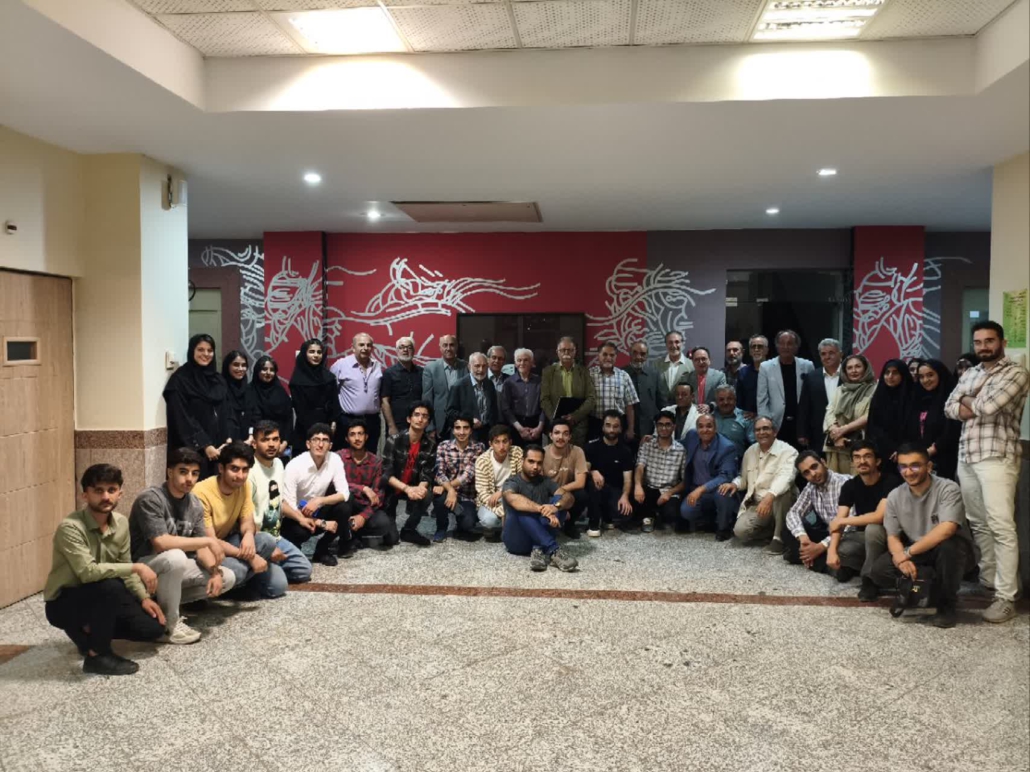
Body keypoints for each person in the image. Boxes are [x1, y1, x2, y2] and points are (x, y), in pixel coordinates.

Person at [945, 320, 1030, 624]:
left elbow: (989, 407)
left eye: (990, 341)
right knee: (978, 522)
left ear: (1002, 343)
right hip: (967, 455)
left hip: (997, 456)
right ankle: (992, 582)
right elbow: (949, 407)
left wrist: (968, 399)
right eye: (979, 342)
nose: (984, 347)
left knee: (1001, 525)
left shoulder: (1016, 373)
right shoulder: (971, 373)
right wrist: (974, 398)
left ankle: (1007, 596)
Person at [44, 464, 165, 676]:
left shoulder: (121, 523)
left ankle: (89, 633)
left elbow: (125, 565)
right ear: (85, 495)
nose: (106, 497)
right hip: (64, 602)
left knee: (153, 628)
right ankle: (97, 655)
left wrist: (143, 597)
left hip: (103, 595)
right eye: (98, 491)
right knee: (111, 586)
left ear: (120, 493)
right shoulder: (70, 528)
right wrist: (137, 567)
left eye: (111, 490)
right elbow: (88, 572)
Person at [130, 448, 237, 646]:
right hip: (143, 568)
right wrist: (208, 541)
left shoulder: (194, 503)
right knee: (176, 557)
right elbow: (161, 543)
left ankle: (163, 606)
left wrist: (214, 572)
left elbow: (201, 550)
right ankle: (169, 626)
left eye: (195, 474)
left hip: (171, 570)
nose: (189, 479)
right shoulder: (151, 498)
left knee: (226, 577)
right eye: (183, 472)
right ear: (170, 472)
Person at [867, 443, 977, 628]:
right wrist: (900, 558)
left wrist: (907, 553)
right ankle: (926, 584)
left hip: (950, 549)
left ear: (929, 466)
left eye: (915, 466)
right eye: (903, 466)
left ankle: (947, 605)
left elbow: (947, 529)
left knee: (949, 547)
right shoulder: (894, 496)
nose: (908, 472)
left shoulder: (948, 488)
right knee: (879, 571)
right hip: (919, 551)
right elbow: (892, 536)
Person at [194, 443, 286, 597]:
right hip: (205, 550)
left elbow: (247, 521)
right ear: (221, 468)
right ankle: (233, 581)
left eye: (245, 470)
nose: (240, 476)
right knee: (239, 570)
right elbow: (209, 541)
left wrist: (249, 535)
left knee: (268, 544)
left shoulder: (244, 486)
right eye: (234, 469)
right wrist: (251, 557)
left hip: (228, 542)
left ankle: (237, 582)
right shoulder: (201, 493)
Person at [826, 441, 901, 599]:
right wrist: (831, 552)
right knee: (840, 547)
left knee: (873, 528)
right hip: (865, 537)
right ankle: (872, 565)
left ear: (877, 461)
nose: (862, 461)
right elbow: (839, 519)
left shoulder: (891, 482)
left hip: (891, 534)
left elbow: (878, 517)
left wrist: (843, 521)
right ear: (852, 462)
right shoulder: (850, 486)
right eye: (857, 457)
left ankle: (869, 580)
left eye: (867, 456)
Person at [247, 421, 314, 583]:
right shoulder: (248, 471)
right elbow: (244, 517)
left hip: (276, 536)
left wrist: (300, 518)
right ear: (254, 444)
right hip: (255, 538)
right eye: (265, 440)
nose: (271, 444)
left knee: (304, 570)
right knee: (277, 585)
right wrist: (268, 548)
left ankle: (267, 567)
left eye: (275, 439)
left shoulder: (278, 464)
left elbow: (278, 500)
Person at [722, 416, 798, 552]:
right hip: (757, 503)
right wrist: (734, 484)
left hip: (778, 501)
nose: (761, 432)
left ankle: (779, 538)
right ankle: (774, 530)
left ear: (775, 432)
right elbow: (744, 479)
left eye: (766, 428)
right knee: (741, 532)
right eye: (758, 430)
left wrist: (769, 497)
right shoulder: (750, 451)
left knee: (784, 492)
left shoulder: (789, 451)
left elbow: (786, 478)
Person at [281, 424, 353, 565]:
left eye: (325, 440)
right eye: (316, 440)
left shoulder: (334, 459)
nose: (320, 444)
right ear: (308, 444)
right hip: (295, 516)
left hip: (317, 509)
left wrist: (319, 500)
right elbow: (288, 506)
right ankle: (294, 549)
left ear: (330, 445)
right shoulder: (294, 465)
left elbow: (344, 493)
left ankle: (322, 549)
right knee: (300, 533)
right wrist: (322, 523)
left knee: (345, 506)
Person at [501, 445, 578, 572]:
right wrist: (542, 510)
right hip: (517, 540)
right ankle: (553, 549)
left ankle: (538, 549)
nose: (535, 466)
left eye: (539, 463)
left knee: (560, 501)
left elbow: (569, 497)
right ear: (522, 461)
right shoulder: (512, 482)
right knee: (518, 506)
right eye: (531, 461)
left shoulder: (545, 482)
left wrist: (555, 507)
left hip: (539, 537)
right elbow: (513, 500)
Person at [164, 334, 230, 478]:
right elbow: (182, 417)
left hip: (219, 450)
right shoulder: (180, 380)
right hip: (193, 451)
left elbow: (224, 411)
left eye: (210, 350)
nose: (206, 354)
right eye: (200, 350)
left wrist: (227, 439)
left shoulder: (218, 380)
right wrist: (205, 445)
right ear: (192, 351)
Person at [782, 451, 850, 572]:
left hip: (847, 535)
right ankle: (818, 561)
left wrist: (821, 546)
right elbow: (793, 513)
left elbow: (850, 526)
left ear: (823, 463)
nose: (813, 474)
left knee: (845, 549)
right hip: (827, 532)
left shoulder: (845, 483)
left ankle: (804, 557)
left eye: (814, 467)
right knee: (788, 531)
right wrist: (803, 538)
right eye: (806, 472)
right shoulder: (811, 486)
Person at [381, 401, 438, 547]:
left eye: (424, 416)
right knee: (391, 539)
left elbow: (427, 473)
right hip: (392, 489)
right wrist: (407, 489)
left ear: (428, 422)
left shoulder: (431, 444)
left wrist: (420, 488)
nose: (420, 419)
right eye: (416, 415)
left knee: (427, 494)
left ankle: (409, 530)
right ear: (409, 419)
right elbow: (386, 474)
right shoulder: (394, 440)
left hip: (413, 486)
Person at [339, 420, 400, 548]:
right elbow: (336, 486)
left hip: (365, 505)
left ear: (366, 437)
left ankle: (355, 532)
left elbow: (379, 495)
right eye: (352, 434)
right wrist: (363, 488)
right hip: (345, 505)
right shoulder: (338, 458)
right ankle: (346, 535)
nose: (357, 438)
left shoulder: (376, 462)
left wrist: (362, 516)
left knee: (385, 526)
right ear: (346, 438)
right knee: (346, 498)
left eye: (360, 434)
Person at [678, 415, 739, 540]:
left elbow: (725, 476)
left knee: (723, 492)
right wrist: (655, 439)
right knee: (686, 511)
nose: (705, 430)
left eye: (709, 426)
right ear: (697, 429)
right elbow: (679, 443)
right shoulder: (692, 436)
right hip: (696, 488)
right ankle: (709, 519)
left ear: (716, 428)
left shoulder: (727, 447)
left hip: (716, 489)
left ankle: (724, 527)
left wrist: (701, 489)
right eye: (701, 426)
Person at [757, 329, 814, 449]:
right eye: (782, 343)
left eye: (790, 343)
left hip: (800, 424)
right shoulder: (766, 367)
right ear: (777, 346)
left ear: (796, 346)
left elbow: (812, 398)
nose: (785, 347)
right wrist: (766, 425)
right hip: (776, 423)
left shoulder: (807, 366)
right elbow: (762, 400)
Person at [432, 415, 485, 542]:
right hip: (446, 492)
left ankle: (460, 525)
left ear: (471, 430)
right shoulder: (443, 446)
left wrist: (448, 487)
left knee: (468, 524)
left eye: (466, 428)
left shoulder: (479, 447)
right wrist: (450, 490)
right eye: (458, 428)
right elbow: (439, 472)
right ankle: (441, 528)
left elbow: (468, 475)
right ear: (453, 430)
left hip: (467, 496)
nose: (461, 432)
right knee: (439, 496)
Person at [632, 410, 687, 532]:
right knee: (634, 499)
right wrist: (638, 486)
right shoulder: (647, 445)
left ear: (674, 427)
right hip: (649, 489)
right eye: (660, 424)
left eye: (668, 424)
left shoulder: (681, 450)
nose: (664, 428)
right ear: (656, 426)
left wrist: (669, 493)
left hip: (668, 491)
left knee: (671, 514)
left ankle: (654, 515)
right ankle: (650, 516)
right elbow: (639, 467)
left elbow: (684, 481)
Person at [906, 359, 960, 480]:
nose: (925, 380)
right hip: (919, 458)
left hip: (945, 458)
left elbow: (953, 430)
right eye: (921, 377)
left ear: (940, 374)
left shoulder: (952, 397)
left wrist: (932, 450)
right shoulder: (917, 399)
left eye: (930, 375)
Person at [584, 410, 635, 537]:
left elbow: (628, 480)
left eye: (615, 426)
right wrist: (593, 472)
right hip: (596, 487)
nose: (611, 430)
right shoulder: (591, 446)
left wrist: (625, 496)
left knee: (626, 515)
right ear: (602, 427)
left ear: (620, 429)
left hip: (614, 489)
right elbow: (584, 470)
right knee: (593, 484)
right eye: (608, 425)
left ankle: (607, 517)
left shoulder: (625, 451)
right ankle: (594, 523)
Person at [822, 354, 875, 473]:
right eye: (849, 368)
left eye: (858, 366)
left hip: (861, 446)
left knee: (859, 480)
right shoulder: (840, 389)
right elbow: (829, 412)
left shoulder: (874, 389)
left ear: (866, 368)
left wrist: (843, 429)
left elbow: (870, 415)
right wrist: (836, 432)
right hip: (836, 444)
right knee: (836, 482)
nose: (853, 371)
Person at [331, 332, 384, 452]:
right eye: (361, 345)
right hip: (347, 421)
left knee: (370, 455)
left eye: (368, 345)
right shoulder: (341, 365)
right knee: (345, 456)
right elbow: (330, 392)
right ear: (353, 347)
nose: (365, 348)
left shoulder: (377, 365)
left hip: (372, 421)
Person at [541, 337, 596, 448]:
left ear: (575, 352)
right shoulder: (548, 372)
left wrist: (575, 416)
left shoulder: (584, 371)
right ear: (557, 352)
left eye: (570, 350)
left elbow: (591, 398)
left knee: (576, 456)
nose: (566, 353)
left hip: (578, 426)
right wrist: (556, 420)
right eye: (563, 350)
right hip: (556, 427)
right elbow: (544, 399)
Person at [289, 339, 340, 457]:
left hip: (327, 426)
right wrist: (315, 432)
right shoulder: (297, 380)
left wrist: (333, 423)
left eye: (319, 352)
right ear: (304, 354)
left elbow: (334, 403)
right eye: (312, 352)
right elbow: (300, 410)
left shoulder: (329, 377)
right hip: (305, 429)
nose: (316, 355)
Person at [475, 424, 524, 541]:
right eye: (497, 442)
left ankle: (510, 526)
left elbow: (522, 480)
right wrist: (503, 512)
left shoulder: (517, 452)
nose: (501, 446)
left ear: (510, 442)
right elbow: (483, 493)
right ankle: (495, 528)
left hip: (512, 495)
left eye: (505, 441)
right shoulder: (482, 461)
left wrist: (502, 491)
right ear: (490, 444)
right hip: (490, 500)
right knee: (489, 520)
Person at [543, 418, 590, 539]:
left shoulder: (577, 451)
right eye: (557, 433)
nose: (561, 437)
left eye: (565, 433)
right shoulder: (542, 453)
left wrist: (562, 491)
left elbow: (580, 482)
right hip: (548, 493)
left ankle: (569, 524)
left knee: (582, 494)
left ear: (570, 437)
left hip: (568, 492)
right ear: (550, 435)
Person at [797, 338, 842, 455]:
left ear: (840, 354)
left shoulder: (849, 375)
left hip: (844, 430)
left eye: (831, 353)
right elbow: (804, 406)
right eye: (823, 354)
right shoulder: (811, 377)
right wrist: (802, 432)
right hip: (818, 432)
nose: (827, 357)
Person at [588, 342, 639, 442]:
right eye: (605, 354)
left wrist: (631, 429)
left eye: (612, 355)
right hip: (595, 424)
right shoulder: (590, 374)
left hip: (618, 425)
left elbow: (629, 406)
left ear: (616, 357)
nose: (608, 358)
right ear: (598, 355)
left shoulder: (624, 376)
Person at [866, 359, 913, 463]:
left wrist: (902, 449)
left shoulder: (911, 398)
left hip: (904, 454)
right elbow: (872, 426)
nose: (890, 376)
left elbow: (912, 429)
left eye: (895, 373)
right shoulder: (879, 397)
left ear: (903, 375)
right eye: (887, 372)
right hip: (879, 453)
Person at [446, 352, 499, 443]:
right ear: (469, 366)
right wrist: (470, 420)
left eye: (484, 366)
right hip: (466, 435)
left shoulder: (489, 384)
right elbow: (450, 413)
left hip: (487, 435)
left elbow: (494, 411)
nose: (481, 370)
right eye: (477, 366)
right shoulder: (458, 386)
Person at [245, 356, 293, 453]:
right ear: (257, 371)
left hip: (278, 445)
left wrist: (285, 443)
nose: (268, 372)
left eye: (272, 370)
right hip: (255, 445)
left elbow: (288, 419)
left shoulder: (280, 392)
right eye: (264, 369)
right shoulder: (248, 391)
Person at [423, 334, 467, 436]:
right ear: (440, 347)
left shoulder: (465, 366)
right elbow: (427, 399)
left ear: (456, 347)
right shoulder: (431, 368)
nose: (448, 348)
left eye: (452, 345)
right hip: (439, 422)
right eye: (445, 345)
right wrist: (430, 426)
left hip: (461, 421)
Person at [501, 348, 546, 447]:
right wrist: (520, 429)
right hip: (516, 425)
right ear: (515, 363)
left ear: (532, 363)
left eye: (526, 360)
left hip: (536, 425)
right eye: (519, 360)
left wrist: (539, 428)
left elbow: (544, 406)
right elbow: (506, 408)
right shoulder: (509, 382)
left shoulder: (540, 381)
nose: (522, 363)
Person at [381, 337, 424, 438]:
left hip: (418, 422)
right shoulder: (389, 373)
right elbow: (384, 401)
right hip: (397, 424)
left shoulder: (421, 372)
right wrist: (391, 426)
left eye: (409, 347)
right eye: (402, 347)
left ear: (413, 351)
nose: (405, 350)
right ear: (397, 351)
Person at [623, 341, 661, 445]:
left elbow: (661, 403)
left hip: (649, 431)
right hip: (626, 430)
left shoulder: (654, 374)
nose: (638, 357)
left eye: (643, 354)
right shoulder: (621, 374)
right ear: (630, 353)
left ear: (647, 355)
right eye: (635, 353)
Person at [712, 385, 754, 462]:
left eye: (729, 399)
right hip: (711, 462)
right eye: (721, 399)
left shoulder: (746, 418)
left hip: (737, 463)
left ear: (735, 399)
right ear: (716, 402)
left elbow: (755, 445)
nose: (725, 402)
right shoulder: (710, 417)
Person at [654, 331, 695, 408]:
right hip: (661, 410)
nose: (674, 345)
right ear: (666, 344)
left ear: (682, 343)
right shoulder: (656, 364)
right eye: (670, 342)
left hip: (683, 409)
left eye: (677, 342)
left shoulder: (692, 365)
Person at [736, 334, 769, 418]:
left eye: (760, 347)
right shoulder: (743, 372)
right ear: (750, 351)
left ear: (766, 350)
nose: (756, 349)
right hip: (747, 419)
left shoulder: (774, 371)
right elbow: (739, 400)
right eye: (753, 347)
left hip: (770, 418)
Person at [222, 350, 250, 442]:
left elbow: (253, 416)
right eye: (236, 365)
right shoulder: (220, 387)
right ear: (227, 366)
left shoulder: (249, 389)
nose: (240, 369)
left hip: (247, 441)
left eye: (244, 365)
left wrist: (251, 436)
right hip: (225, 440)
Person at [685, 346, 726, 411]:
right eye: (697, 359)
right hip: (693, 413)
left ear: (709, 360)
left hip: (712, 413)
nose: (701, 362)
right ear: (692, 362)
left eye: (703, 359)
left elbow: (723, 397)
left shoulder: (719, 376)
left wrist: (710, 406)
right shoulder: (687, 378)